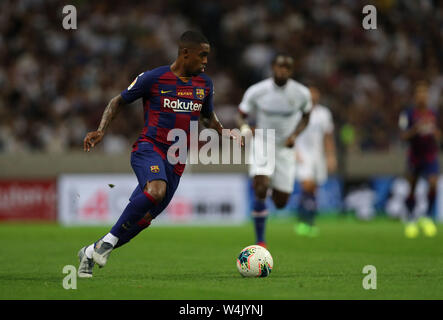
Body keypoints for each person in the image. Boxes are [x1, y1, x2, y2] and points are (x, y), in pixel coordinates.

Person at [77, 31, 239, 278]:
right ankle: (106, 243)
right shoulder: (154, 78)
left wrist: (224, 131)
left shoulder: (204, 84)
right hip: (149, 149)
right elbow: (117, 101)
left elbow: (207, 116)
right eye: (202, 55)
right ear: (186, 53)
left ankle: (90, 252)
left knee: (143, 219)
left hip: (177, 161)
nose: (206, 61)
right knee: (155, 191)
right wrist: (101, 131)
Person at [237, 53, 312, 248]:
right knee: (260, 187)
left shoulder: (301, 93)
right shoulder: (257, 91)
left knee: (280, 202)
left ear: (291, 71)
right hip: (263, 141)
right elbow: (241, 115)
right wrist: (246, 129)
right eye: (280, 66)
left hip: (285, 148)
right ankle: (260, 241)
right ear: (273, 67)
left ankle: (269, 187)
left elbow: (306, 117)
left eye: (287, 68)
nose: (283, 70)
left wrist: (295, 135)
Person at [399, 81, 440, 238]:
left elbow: (438, 134)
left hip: (430, 155)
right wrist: (415, 130)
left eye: (425, 94)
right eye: (419, 94)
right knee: (412, 187)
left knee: (433, 183)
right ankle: (410, 218)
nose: (422, 97)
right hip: (414, 156)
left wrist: (435, 133)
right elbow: (402, 135)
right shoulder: (408, 114)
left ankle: (428, 217)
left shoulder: (434, 114)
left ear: (428, 97)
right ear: (415, 97)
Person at [293, 86, 337, 237]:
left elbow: (328, 136)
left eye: (315, 94)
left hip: (319, 155)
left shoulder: (324, 114)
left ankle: (308, 221)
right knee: (307, 185)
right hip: (302, 154)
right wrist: (293, 152)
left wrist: (331, 156)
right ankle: (302, 221)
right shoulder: (297, 113)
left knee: (314, 189)